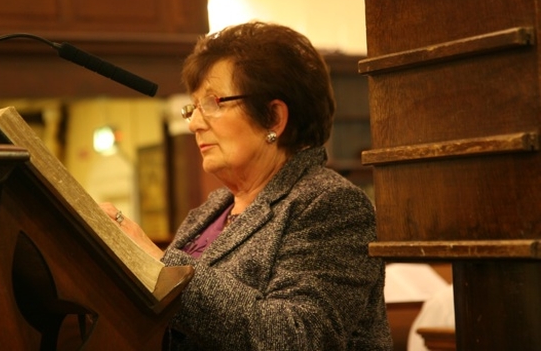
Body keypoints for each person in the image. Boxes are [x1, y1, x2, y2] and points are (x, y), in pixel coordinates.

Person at [100, 21, 392, 350]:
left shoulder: (330, 204)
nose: (195, 123)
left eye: (213, 103)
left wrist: (159, 268)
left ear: (274, 118)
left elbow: (297, 337)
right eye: (193, 107)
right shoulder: (210, 210)